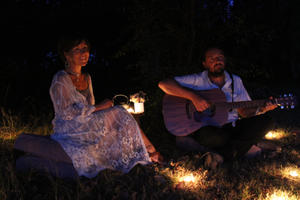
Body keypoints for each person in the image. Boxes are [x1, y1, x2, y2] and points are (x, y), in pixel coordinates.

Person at [49, 33, 163, 178]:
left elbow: (89, 109)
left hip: (84, 124)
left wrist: (101, 110)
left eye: (85, 48)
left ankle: (138, 153)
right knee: (118, 111)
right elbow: (66, 113)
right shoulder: (60, 79)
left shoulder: (87, 77)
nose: (84, 53)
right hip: (68, 127)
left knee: (116, 116)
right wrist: (101, 107)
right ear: (66, 54)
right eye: (77, 49)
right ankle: (150, 150)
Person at [158, 47, 277, 167]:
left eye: (220, 57)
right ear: (205, 64)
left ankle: (221, 155)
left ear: (224, 60)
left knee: (267, 122)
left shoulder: (235, 81)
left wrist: (262, 108)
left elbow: (244, 112)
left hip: (232, 126)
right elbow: (164, 84)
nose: (217, 61)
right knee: (218, 138)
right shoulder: (197, 79)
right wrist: (194, 97)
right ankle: (244, 148)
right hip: (208, 128)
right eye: (212, 59)